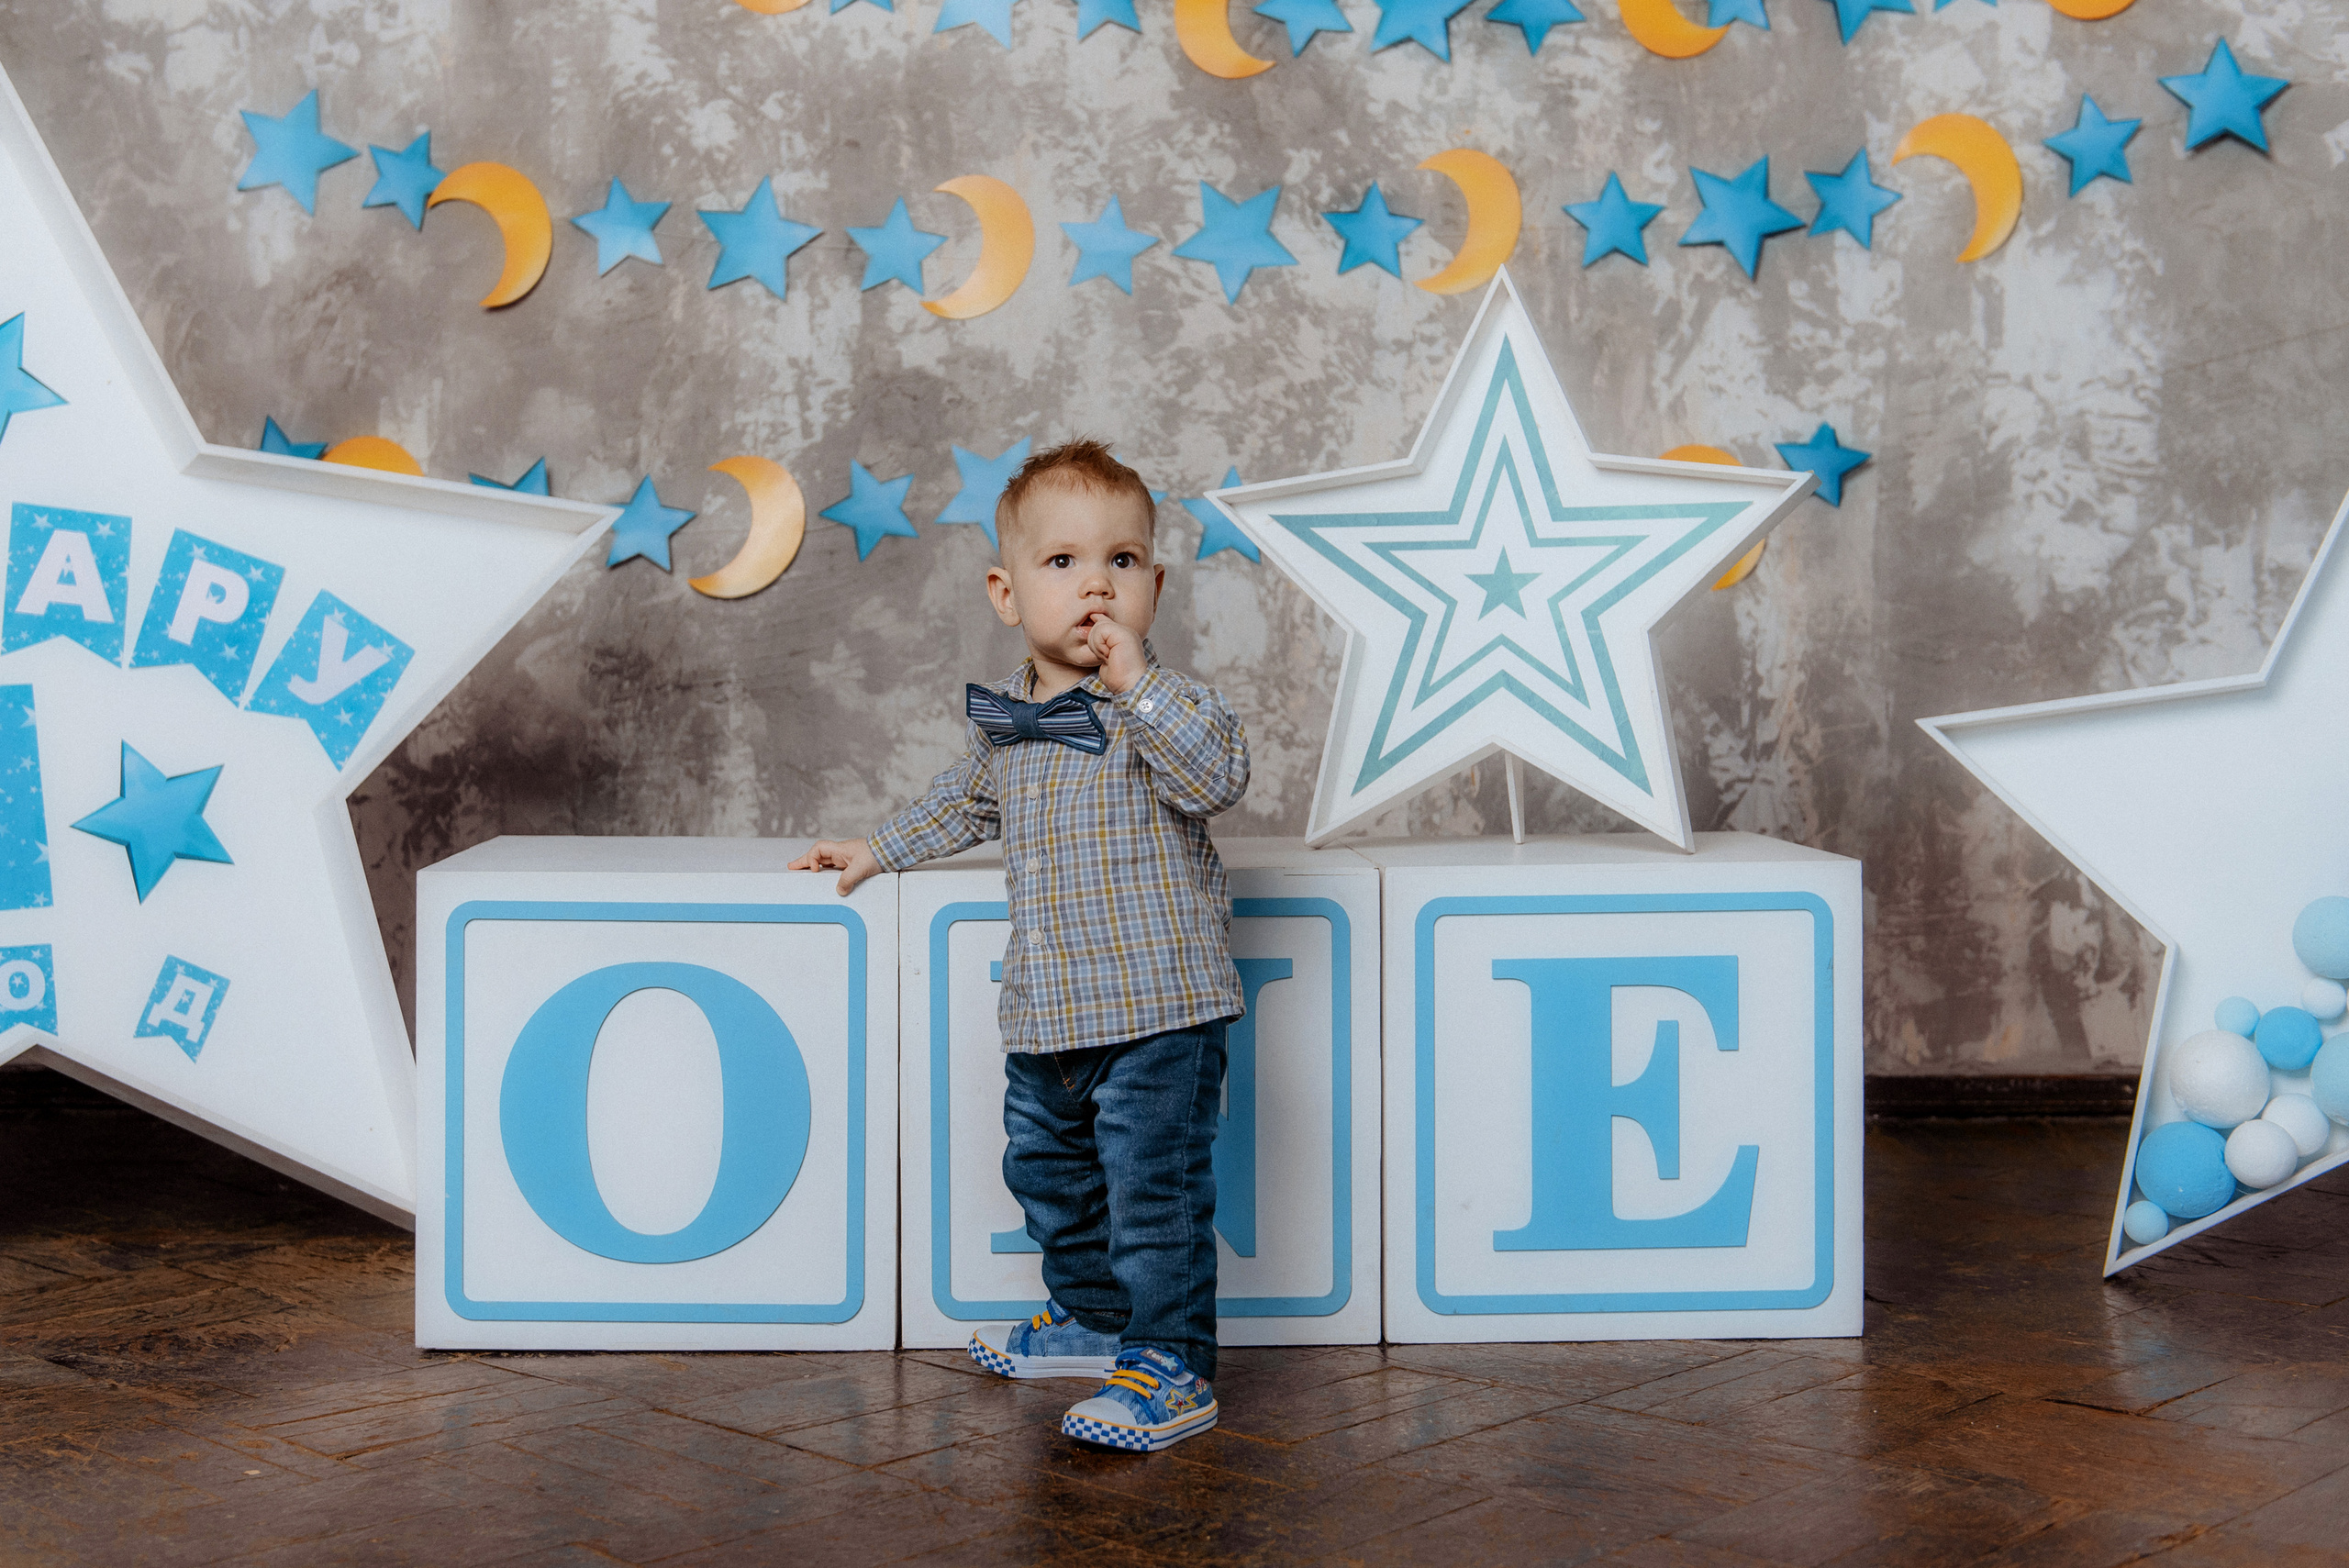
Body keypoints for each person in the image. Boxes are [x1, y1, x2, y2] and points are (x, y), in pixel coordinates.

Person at [791, 439, 1249, 1452]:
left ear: (1154, 587)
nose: (1096, 583)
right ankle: (1089, 1315)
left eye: (1122, 563)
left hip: (1160, 1011)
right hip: (1048, 1011)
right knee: (1049, 1171)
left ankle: (1171, 1361)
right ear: (1006, 592)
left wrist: (1139, 682)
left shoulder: (1163, 710)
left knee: (1151, 1191)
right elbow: (962, 802)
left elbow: (1214, 777)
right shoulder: (1011, 724)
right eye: (1063, 563)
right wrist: (878, 847)